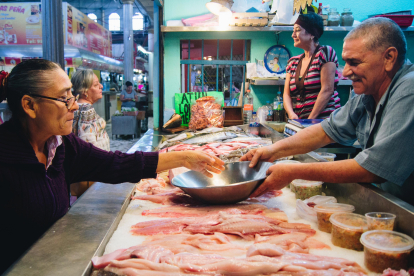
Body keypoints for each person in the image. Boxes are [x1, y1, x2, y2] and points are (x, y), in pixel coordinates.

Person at [0, 59, 225, 273]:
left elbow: (115, 164)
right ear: (29, 105)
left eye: (73, 95)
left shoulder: (62, 146)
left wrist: (184, 158)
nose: (75, 105)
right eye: (64, 98)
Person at [241, 17, 414, 206]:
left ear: (389, 58)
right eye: (345, 63)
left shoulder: (409, 90)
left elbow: (374, 168)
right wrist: (271, 151)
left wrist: (293, 172)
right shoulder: (367, 93)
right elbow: (326, 130)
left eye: (354, 62)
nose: (345, 72)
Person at [284, 12, 341, 119]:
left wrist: (310, 120)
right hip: (302, 122)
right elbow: (286, 95)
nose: (293, 35)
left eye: (297, 30)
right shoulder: (292, 62)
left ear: (312, 34)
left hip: (325, 122)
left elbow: (327, 90)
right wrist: (291, 114)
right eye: (293, 31)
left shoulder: (324, 53)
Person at [70, 69, 110, 198]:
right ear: (85, 91)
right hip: (92, 175)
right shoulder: (85, 110)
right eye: (95, 84)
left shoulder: (78, 108)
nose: (101, 86)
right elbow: (87, 145)